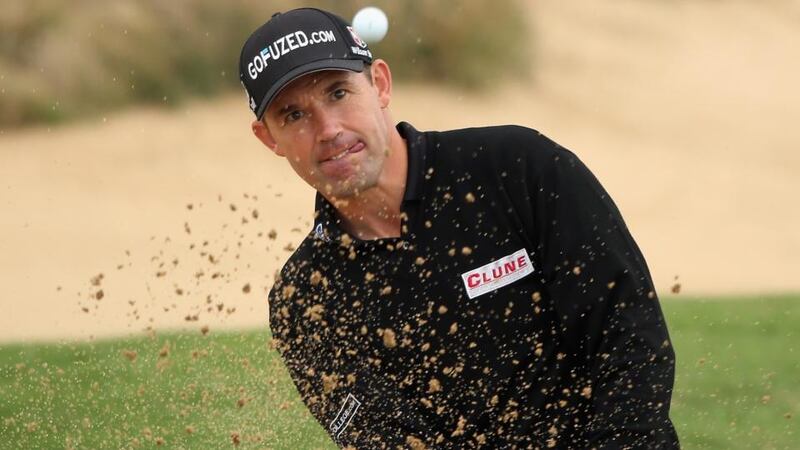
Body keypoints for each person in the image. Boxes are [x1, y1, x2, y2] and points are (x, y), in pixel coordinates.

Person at [239, 7, 680, 449]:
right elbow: (386, 440)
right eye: (293, 115)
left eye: (338, 93)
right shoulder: (306, 301)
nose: (328, 129)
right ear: (269, 138)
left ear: (380, 84)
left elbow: (629, 339)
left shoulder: (518, 168)